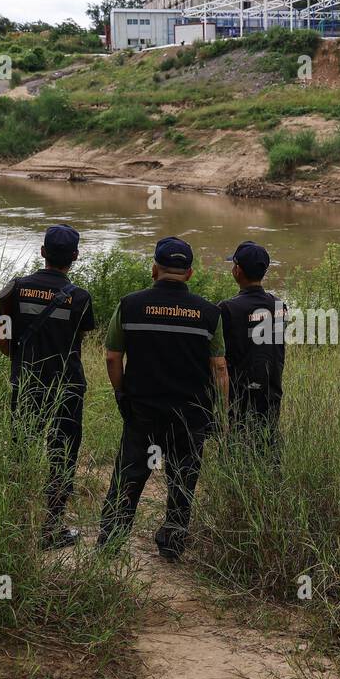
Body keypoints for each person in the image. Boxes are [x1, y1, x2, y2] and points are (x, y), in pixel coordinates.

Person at [98, 236, 228, 561]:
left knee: (129, 475)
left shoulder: (130, 304)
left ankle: (111, 541)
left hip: (142, 409)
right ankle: (171, 546)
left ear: (154, 269)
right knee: (183, 479)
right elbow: (220, 368)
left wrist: (121, 392)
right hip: (191, 414)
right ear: (190, 273)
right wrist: (221, 413)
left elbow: (113, 357)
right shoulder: (209, 313)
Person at [0, 225, 95, 551]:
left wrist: (20, 361)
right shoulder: (79, 297)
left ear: (42, 252)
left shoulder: (17, 289)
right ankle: (51, 527)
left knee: (21, 445)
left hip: (26, 381)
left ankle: (14, 520)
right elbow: (77, 340)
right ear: (75, 257)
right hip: (66, 384)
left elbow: (2, 335)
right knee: (62, 452)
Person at [218, 241, 285, 457]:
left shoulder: (227, 308)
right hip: (271, 385)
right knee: (267, 439)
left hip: (239, 390)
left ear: (237, 271)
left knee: (236, 444)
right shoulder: (279, 305)